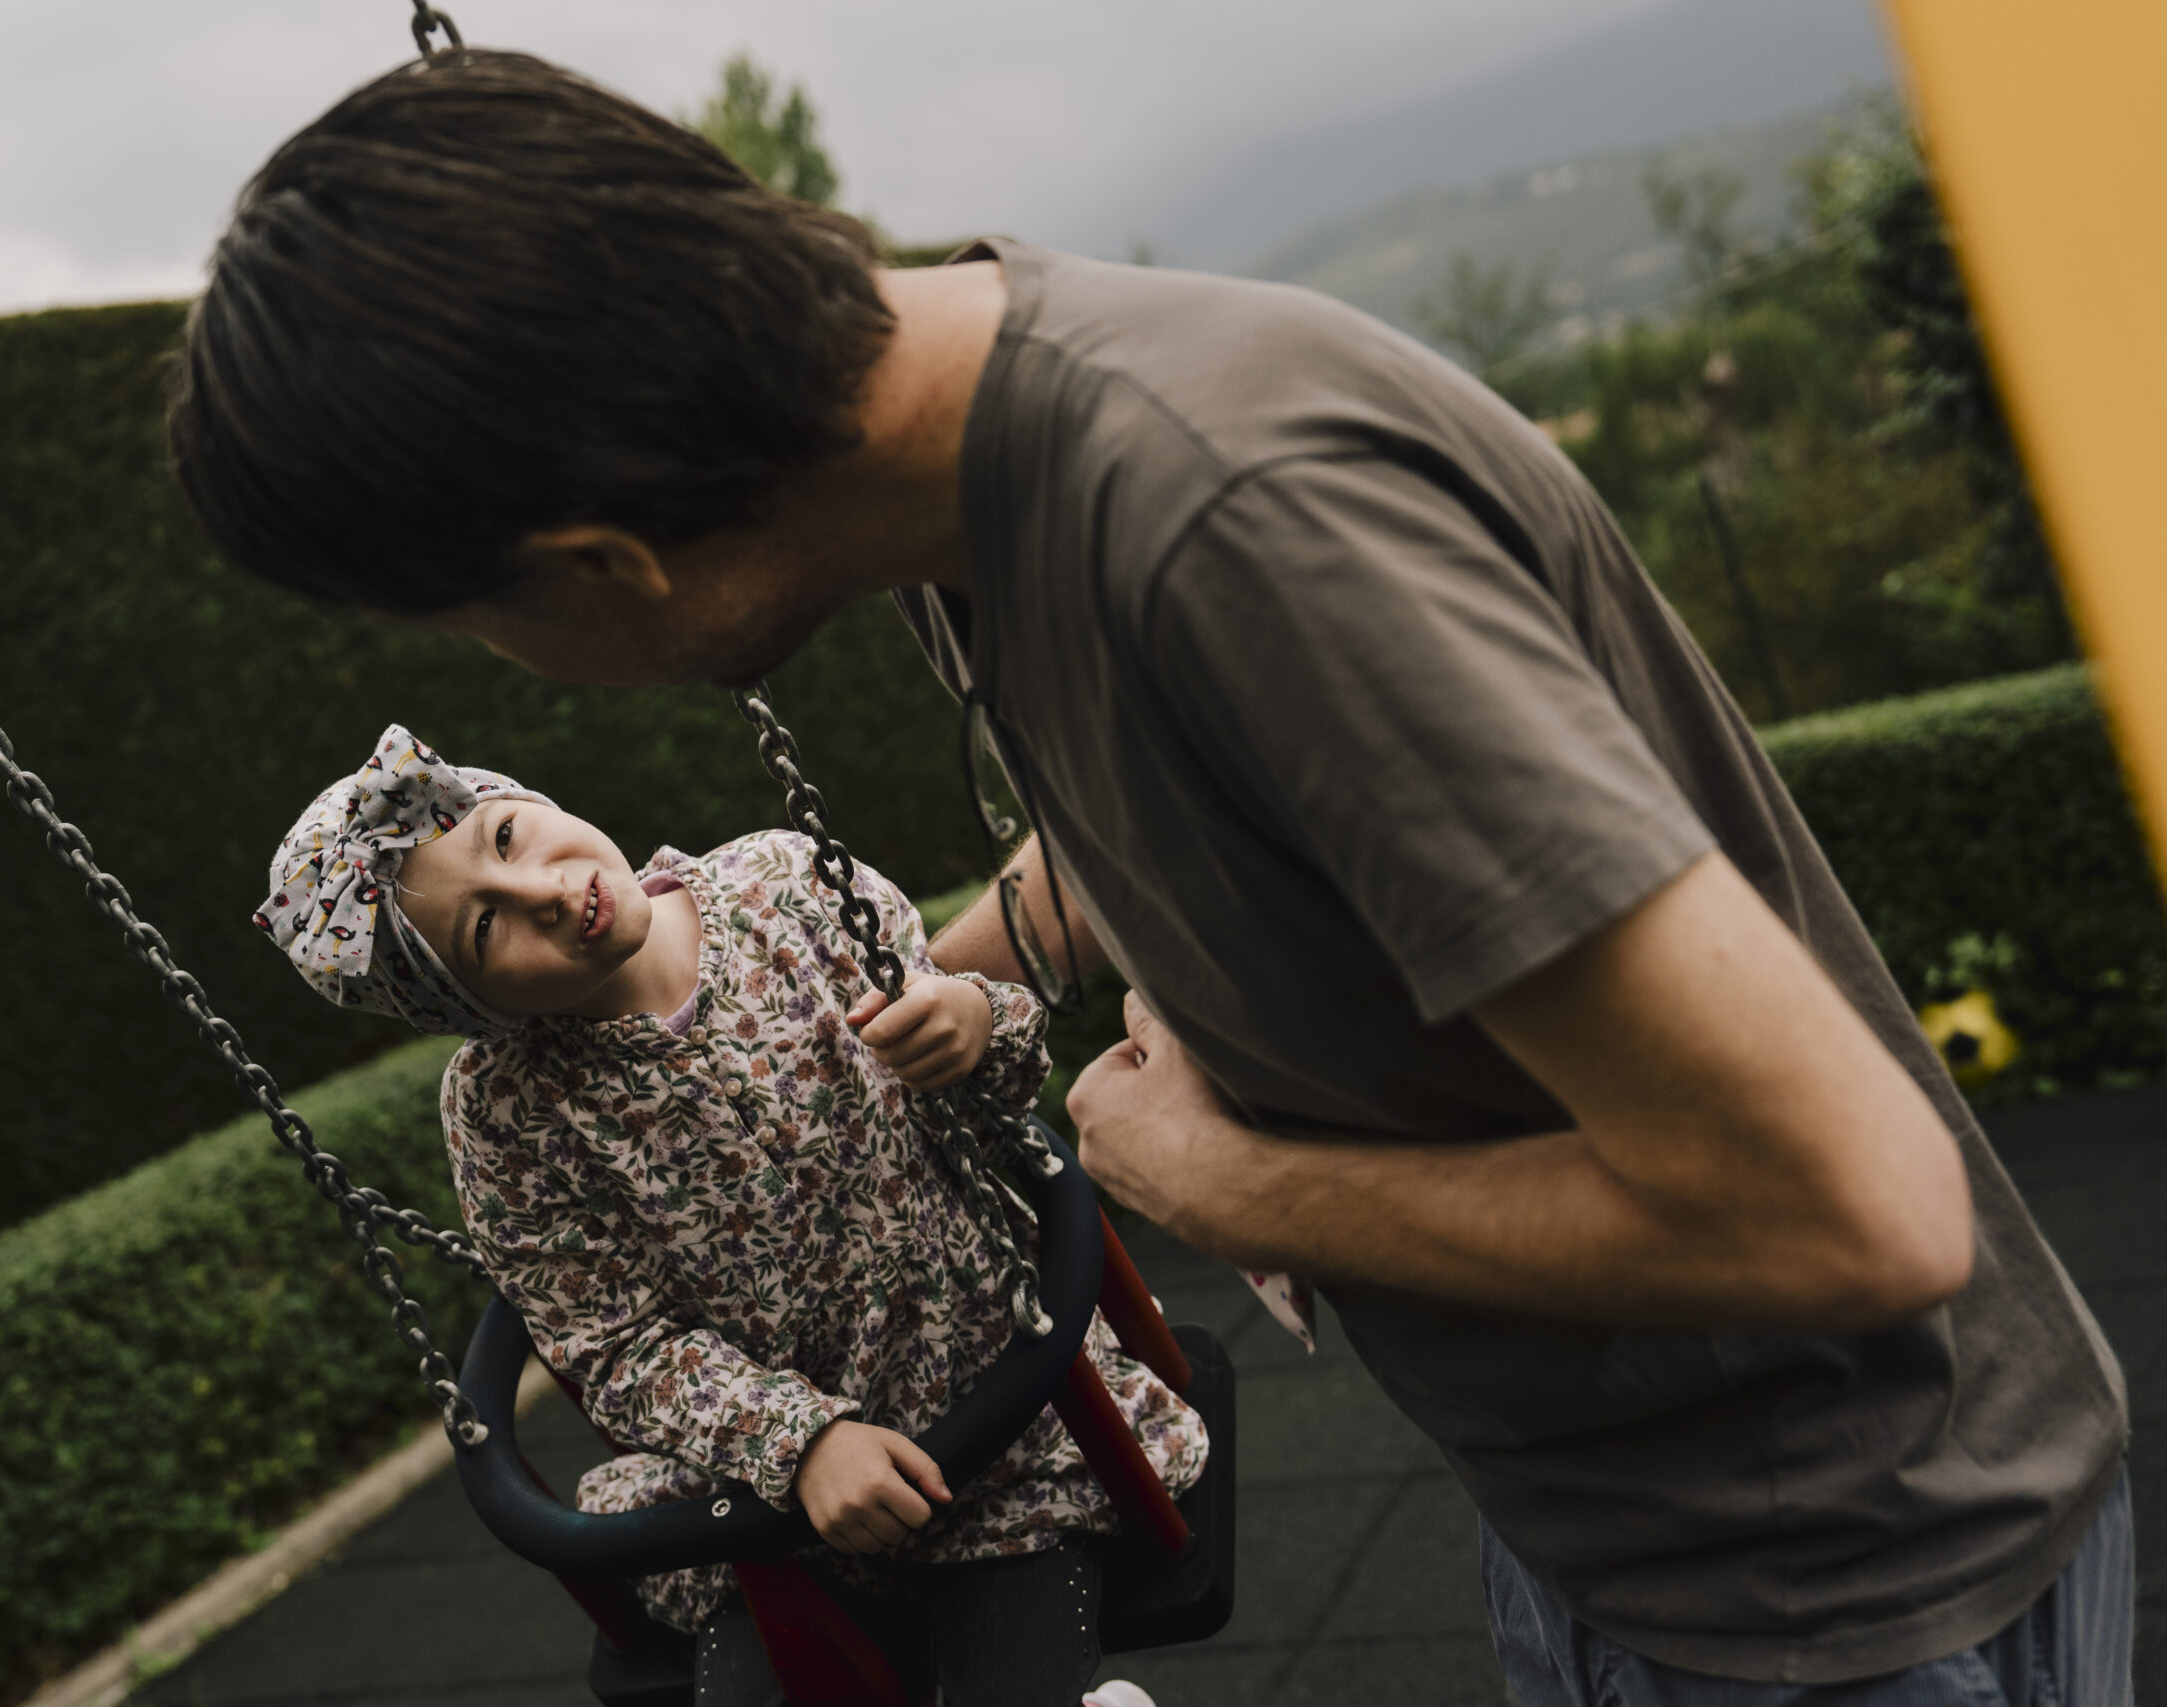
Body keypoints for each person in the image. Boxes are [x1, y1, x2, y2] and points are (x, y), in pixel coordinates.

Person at [171, 48, 2132, 1706]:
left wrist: (1225, 1176)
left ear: (603, 561)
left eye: (474, 628)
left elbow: (1852, 1214)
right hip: (1624, 1506)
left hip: (1824, 1574)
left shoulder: (1225, 528)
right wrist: (830, 1036)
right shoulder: (981, 485)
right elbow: (1198, 802)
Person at [253, 724, 1205, 1707]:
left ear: (524, 799)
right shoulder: (505, 1114)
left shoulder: (783, 886)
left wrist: (971, 1021)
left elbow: (993, 1096)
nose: (541, 892)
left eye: (503, 840)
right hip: (766, 1488)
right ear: (463, 1005)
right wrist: (798, 1442)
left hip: (989, 1408)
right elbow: (613, 1345)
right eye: (484, 932)